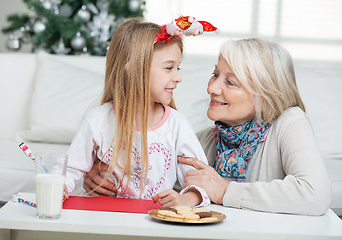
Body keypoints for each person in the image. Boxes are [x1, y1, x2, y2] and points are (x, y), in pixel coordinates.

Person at [83, 38, 331, 216]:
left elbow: (314, 195)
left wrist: (224, 190)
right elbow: (155, 184)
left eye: (230, 82)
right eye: (215, 75)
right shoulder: (203, 140)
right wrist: (105, 176)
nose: (212, 88)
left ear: (264, 96)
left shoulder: (290, 122)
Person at [64, 18, 211, 208]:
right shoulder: (98, 120)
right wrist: (59, 188)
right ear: (134, 70)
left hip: (153, 223)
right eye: (169, 68)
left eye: (178, 68)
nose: (178, 77)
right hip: (103, 218)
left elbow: (200, 182)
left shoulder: (177, 125)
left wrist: (187, 199)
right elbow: (70, 170)